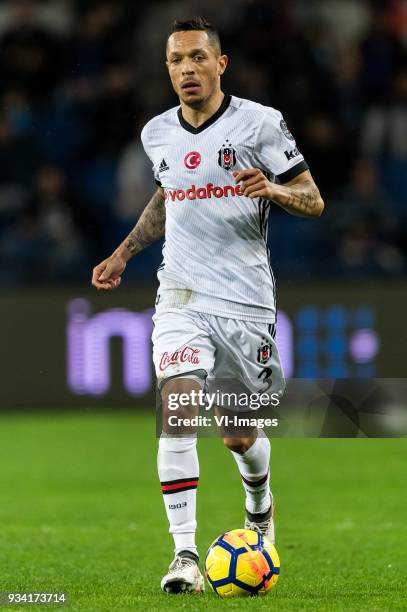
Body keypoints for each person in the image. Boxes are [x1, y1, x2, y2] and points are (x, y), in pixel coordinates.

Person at [91, 16, 324, 594]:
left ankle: (260, 507)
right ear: (167, 69)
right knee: (177, 411)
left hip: (246, 304)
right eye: (176, 60)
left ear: (220, 64)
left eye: (198, 57)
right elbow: (168, 197)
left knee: (240, 437)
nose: (187, 69)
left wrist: (271, 188)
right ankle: (184, 557)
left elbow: (314, 201)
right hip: (180, 297)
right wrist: (123, 253)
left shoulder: (261, 123)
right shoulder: (156, 133)